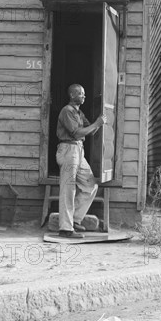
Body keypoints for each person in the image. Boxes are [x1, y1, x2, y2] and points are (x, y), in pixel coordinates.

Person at [56, 84, 106, 238]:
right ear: (72, 95)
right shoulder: (67, 111)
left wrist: (100, 121)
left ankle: (74, 219)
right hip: (68, 149)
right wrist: (97, 124)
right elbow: (77, 133)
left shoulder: (78, 112)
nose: (84, 96)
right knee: (68, 188)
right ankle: (66, 228)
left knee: (90, 184)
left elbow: (89, 130)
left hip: (78, 150)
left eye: (84, 93)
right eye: (80, 93)